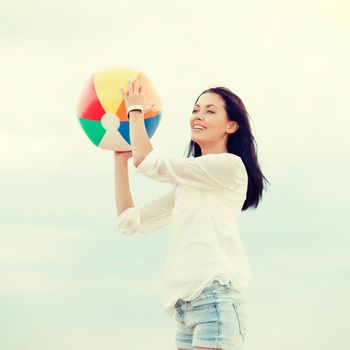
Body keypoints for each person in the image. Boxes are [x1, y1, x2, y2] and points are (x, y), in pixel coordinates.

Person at [114, 79, 269, 350]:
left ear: (231, 126)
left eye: (210, 111)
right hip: (186, 307)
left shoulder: (230, 167)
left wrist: (134, 110)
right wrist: (119, 162)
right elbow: (129, 221)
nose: (198, 116)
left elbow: (150, 163)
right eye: (196, 109)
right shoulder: (187, 187)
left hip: (214, 298)